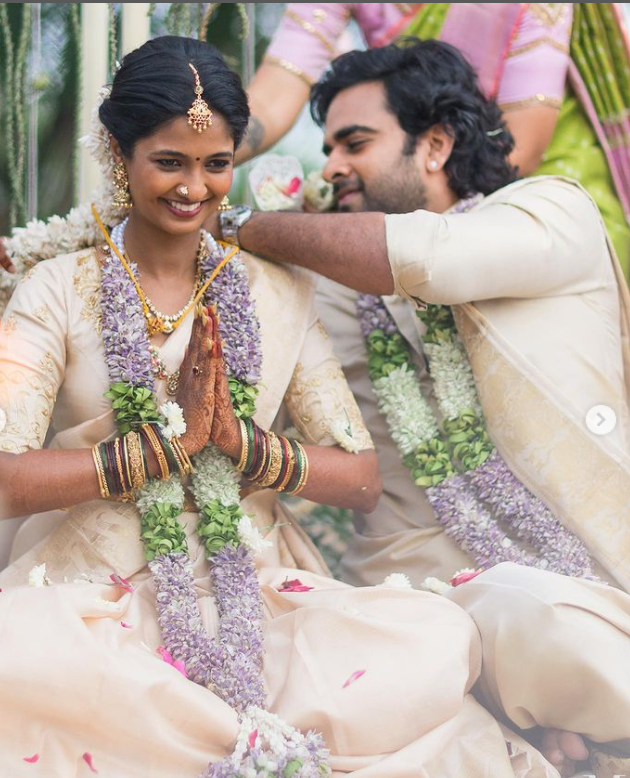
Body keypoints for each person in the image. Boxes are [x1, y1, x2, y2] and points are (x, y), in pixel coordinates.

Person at [2, 32, 630, 778]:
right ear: (120, 156)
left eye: (217, 165)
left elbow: (364, 451)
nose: (194, 187)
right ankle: (253, 741)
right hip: (105, 582)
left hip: (514, 585)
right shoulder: (68, 288)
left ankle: (226, 737)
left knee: (473, 634)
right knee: (22, 654)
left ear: (434, 145)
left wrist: (243, 442)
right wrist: (159, 448)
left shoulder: (538, 216)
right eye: (168, 161)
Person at [212, 38, 630, 596]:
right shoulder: (327, 292)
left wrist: (240, 224)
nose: (333, 167)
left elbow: (421, 257)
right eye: (329, 149)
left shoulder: (551, 213)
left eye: (354, 144)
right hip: (401, 600)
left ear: (434, 144)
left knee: (534, 613)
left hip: (580, 577)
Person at [238, 2, 630, 274]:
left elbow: (517, 148)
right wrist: (202, 154)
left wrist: (247, 227)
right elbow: (271, 103)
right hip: (412, 178)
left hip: (528, 177)